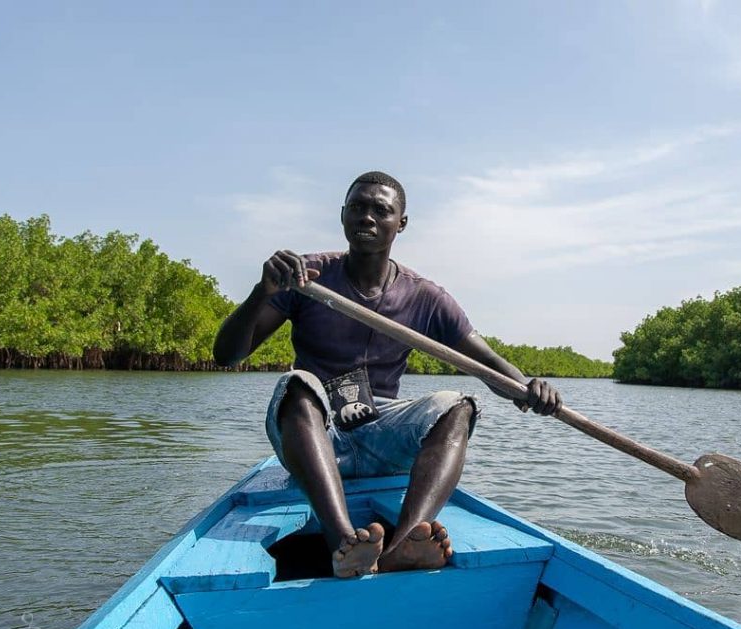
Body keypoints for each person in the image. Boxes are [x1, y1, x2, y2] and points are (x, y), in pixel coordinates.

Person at [213, 171, 562, 578]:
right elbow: (227, 355)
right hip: (317, 434)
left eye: (381, 210)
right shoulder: (306, 276)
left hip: (381, 434)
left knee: (459, 406)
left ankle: (404, 544)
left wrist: (528, 388)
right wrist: (263, 292)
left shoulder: (424, 296)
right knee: (298, 386)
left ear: (402, 223)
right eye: (358, 207)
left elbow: (488, 366)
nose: (367, 218)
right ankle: (344, 542)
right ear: (342, 215)